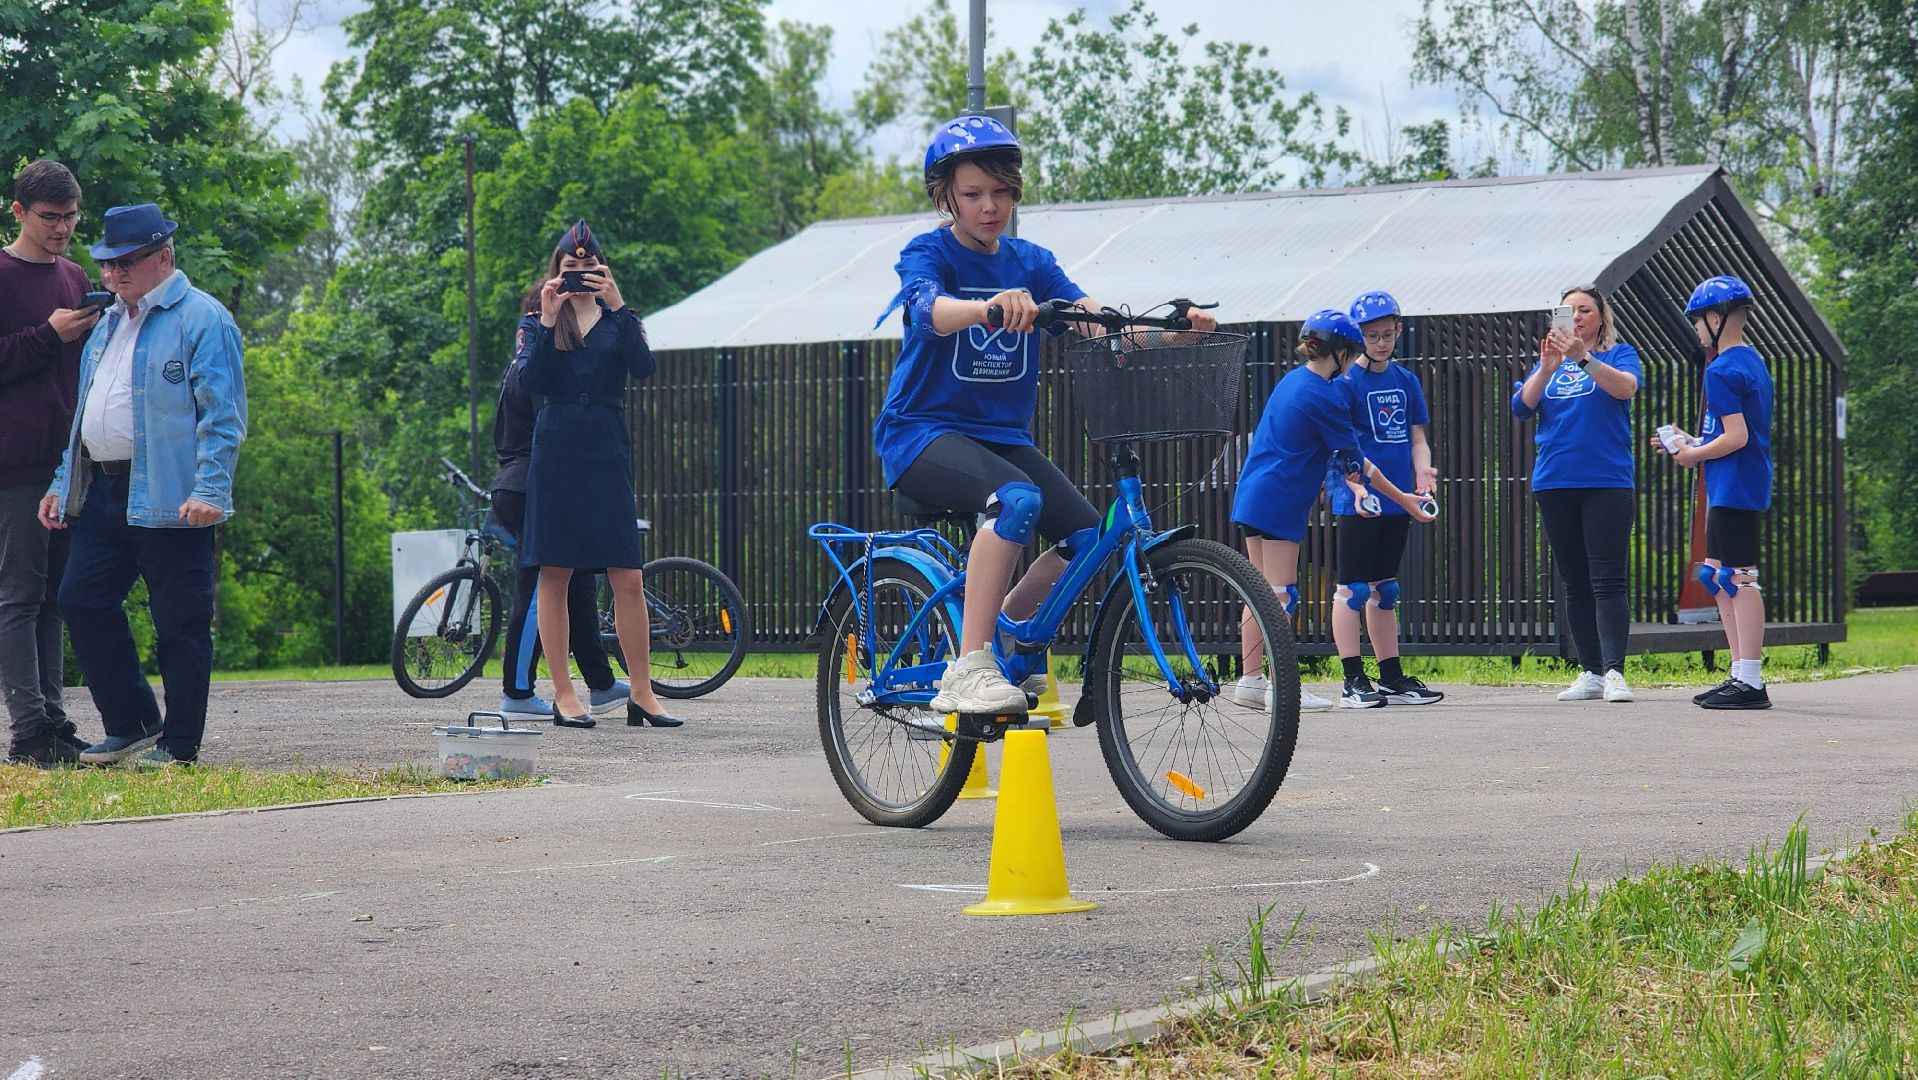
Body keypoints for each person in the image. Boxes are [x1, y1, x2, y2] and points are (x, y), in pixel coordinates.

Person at [873, 113, 1217, 715]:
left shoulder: (1032, 262)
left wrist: (1172, 335)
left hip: (999, 436)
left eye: (1002, 193)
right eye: (974, 194)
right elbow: (927, 310)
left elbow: (1096, 321)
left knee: (1090, 537)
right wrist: (986, 308)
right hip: (921, 434)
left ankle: (1009, 631)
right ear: (944, 195)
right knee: (1017, 500)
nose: (990, 207)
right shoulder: (929, 252)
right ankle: (970, 666)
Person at [38, 203, 246, 766]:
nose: (114, 274)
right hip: (105, 490)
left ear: (165, 257)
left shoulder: (203, 319)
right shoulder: (107, 321)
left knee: (179, 619)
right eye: (108, 264)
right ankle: (131, 724)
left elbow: (222, 418)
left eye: (128, 262)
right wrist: (63, 481)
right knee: (81, 599)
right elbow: (84, 413)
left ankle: (179, 745)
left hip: (175, 497)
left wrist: (210, 491)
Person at [518, 220, 680, 730]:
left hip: (606, 449)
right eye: (571, 269)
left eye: (589, 269)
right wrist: (548, 319)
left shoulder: (619, 320)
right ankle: (565, 693)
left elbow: (644, 365)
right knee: (556, 573)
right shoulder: (537, 322)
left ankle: (642, 693)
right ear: (556, 273)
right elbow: (531, 382)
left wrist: (618, 303)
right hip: (557, 449)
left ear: (602, 270)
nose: (580, 277)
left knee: (627, 576)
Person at [1232, 311, 1433, 713]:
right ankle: (1281, 688)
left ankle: (1251, 681)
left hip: (1251, 495)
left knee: (1259, 594)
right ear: (1341, 352)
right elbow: (1357, 464)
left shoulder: (1293, 380)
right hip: (1280, 500)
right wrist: (1406, 499)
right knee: (1280, 596)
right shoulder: (1323, 396)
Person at [490, 281, 629, 722]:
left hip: (524, 479)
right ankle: (517, 689)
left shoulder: (521, 361)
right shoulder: (540, 360)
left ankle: (601, 683)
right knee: (538, 585)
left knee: (579, 582)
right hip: (532, 480)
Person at [2, 160, 99, 766]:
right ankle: (28, 732)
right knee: (20, 595)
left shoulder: (74, 276)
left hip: (70, 465)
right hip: (15, 465)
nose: (63, 228)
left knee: (56, 597)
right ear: (19, 212)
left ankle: (54, 723)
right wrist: (48, 336)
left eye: (71, 216)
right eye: (51, 217)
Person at [1510, 284, 1643, 704]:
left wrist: (1581, 358)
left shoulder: (1617, 355)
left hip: (1606, 481)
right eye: (1569, 312)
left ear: (1601, 317)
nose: (1578, 317)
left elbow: (1625, 388)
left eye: (1585, 310)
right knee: (1574, 582)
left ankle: (1615, 671)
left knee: (1608, 579)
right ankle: (1588, 671)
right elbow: (1521, 407)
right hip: (1555, 481)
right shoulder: (1546, 364)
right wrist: (1548, 368)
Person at [1653, 276, 1774, 710]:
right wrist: (1693, 439)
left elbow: (1737, 436)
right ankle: (1739, 673)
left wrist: (1692, 455)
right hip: (1736, 482)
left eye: (1698, 322)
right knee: (1716, 576)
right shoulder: (1752, 361)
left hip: (1733, 485)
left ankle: (1751, 681)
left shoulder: (1721, 369)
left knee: (1738, 579)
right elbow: (1733, 430)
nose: (1697, 330)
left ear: (1716, 318)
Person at [1330, 291, 1443, 708]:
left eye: (1387, 333)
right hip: (1360, 499)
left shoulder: (1406, 380)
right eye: (1372, 335)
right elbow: (1341, 446)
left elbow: (1418, 438)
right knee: (1353, 589)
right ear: (1360, 336)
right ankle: (1351, 680)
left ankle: (1392, 677)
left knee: (1386, 589)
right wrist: (1355, 486)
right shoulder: (1346, 384)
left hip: (1401, 498)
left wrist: (1423, 472)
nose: (1381, 342)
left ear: (1399, 329)